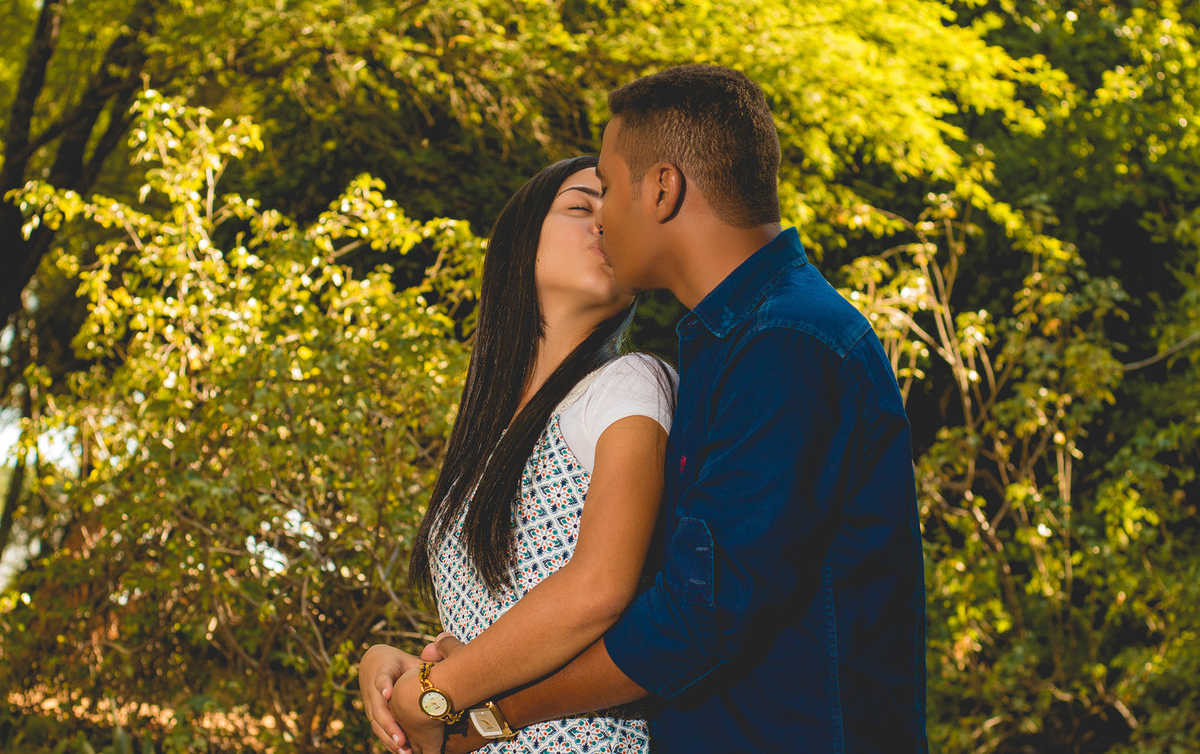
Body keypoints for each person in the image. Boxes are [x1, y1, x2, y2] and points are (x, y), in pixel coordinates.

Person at [363, 65, 928, 753]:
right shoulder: (728, 344)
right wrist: (434, 667)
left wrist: (483, 709)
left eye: (605, 186)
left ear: (661, 188)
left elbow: (694, 615)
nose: (601, 213)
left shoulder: (786, 341)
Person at [358, 155, 676, 754]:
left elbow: (597, 590)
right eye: (581, 207)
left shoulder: (630, 383)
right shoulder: (487, 437)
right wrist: (399, 662)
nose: (604, 224)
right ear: (517, 245)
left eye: (615, 212)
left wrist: (434, 692)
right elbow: (492, 624)